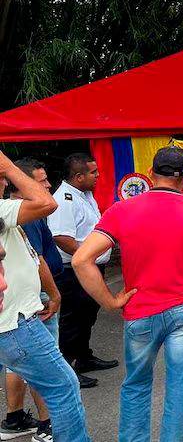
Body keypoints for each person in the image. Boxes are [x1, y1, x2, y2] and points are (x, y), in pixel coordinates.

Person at [71, 146, 183, 441]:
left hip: (140, 310)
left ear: (150, 175)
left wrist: (109, 301)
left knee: (136, 385)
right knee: (180, 387)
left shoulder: (121, 210)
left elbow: (81, 259)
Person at [0, 154, 88, 442]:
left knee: (52, 382)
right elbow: (48, 204)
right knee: (63, 386)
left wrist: (51, 293)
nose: (48, 186)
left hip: (21, 317)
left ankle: (20, 420)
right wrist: (11, 167)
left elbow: (33, 256)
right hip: (16, 322)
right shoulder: (4, 209)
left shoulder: (7, 209)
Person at [2, 159, 62, 441]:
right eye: (41, 181)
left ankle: (14, 418)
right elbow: (37, 258)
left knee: (19, 364)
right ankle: (48, 424)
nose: (48, 187)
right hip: (26, 307)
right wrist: (52, 293)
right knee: (50, 373)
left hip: (19, 309)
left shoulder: (13, 213)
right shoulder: (19, 211)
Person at [47, 153, 115, 388]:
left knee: (88, 314)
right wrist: (88, 255)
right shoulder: (64, 200)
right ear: (78, 177)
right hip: (75, 270)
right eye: (93, 172)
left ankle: (84, 357)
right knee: (73, 319)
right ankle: (68, 369)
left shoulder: (84, 194)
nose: (98, 176)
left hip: (92, 266)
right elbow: (61, 237)